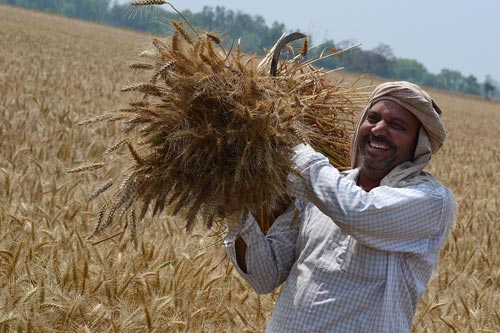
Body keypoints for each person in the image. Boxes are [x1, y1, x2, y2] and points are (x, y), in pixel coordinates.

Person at [223, 81, 456, 332]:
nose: (378, 129)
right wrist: (237, 211)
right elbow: (264, 278)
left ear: (418, 145)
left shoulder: (429, 200)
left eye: (396, 126)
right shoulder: (321, 191)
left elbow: (358, 211)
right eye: (372, 118)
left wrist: (288, 142)